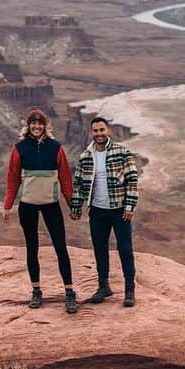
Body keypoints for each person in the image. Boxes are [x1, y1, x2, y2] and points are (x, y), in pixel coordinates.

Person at [3, 108, 78, 314]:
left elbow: (65, 179)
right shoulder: (19, 148)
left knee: (60, 247)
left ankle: (69, 292)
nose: (37, 127)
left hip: (51, 204)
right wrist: (8, 205)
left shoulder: (56, 148)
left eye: (40, 123)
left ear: (45, 126)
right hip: (27, 205)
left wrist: (72, 204)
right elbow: (13, 178)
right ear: (28, 126)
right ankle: (36, 290)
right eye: (33, 123)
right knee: (32, 248)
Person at [70, 116, 139, 307]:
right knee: (100, 249)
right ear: (91, 132)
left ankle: (129, 290)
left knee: (125, 249)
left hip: (119, 211)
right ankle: (103, 287)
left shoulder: (122, 152)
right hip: (97, 211)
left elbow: (132, 179)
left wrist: (130, 206)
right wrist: (76, 208)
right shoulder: (86, 156)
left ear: (107, 131)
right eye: (95, 131)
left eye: (102, 130)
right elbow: (79, 185)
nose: (99, 134)